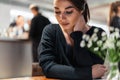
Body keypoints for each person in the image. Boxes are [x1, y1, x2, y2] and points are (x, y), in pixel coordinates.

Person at [38, 0, 107, 80]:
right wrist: (87, 73)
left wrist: (78, 35)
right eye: (57, 12)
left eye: (68, 12)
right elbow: (47, 67)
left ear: (82, 10)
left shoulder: (98, 34)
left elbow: (94, 69)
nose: (61, 17)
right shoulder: (50, 31)